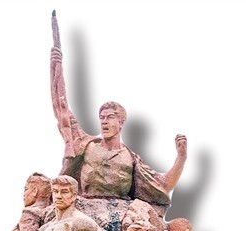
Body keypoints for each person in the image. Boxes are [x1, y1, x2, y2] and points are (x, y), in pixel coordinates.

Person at [50, 45, 187, 221]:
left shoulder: (130, 158)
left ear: (121, 122)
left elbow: (164, 184)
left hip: (121, 212)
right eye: (102, 118)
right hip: (84, 208)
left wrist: (181, 157)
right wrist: (56, 69)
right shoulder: (86, 145)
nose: (104, 121)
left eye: (110, 117)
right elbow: (61, 108)